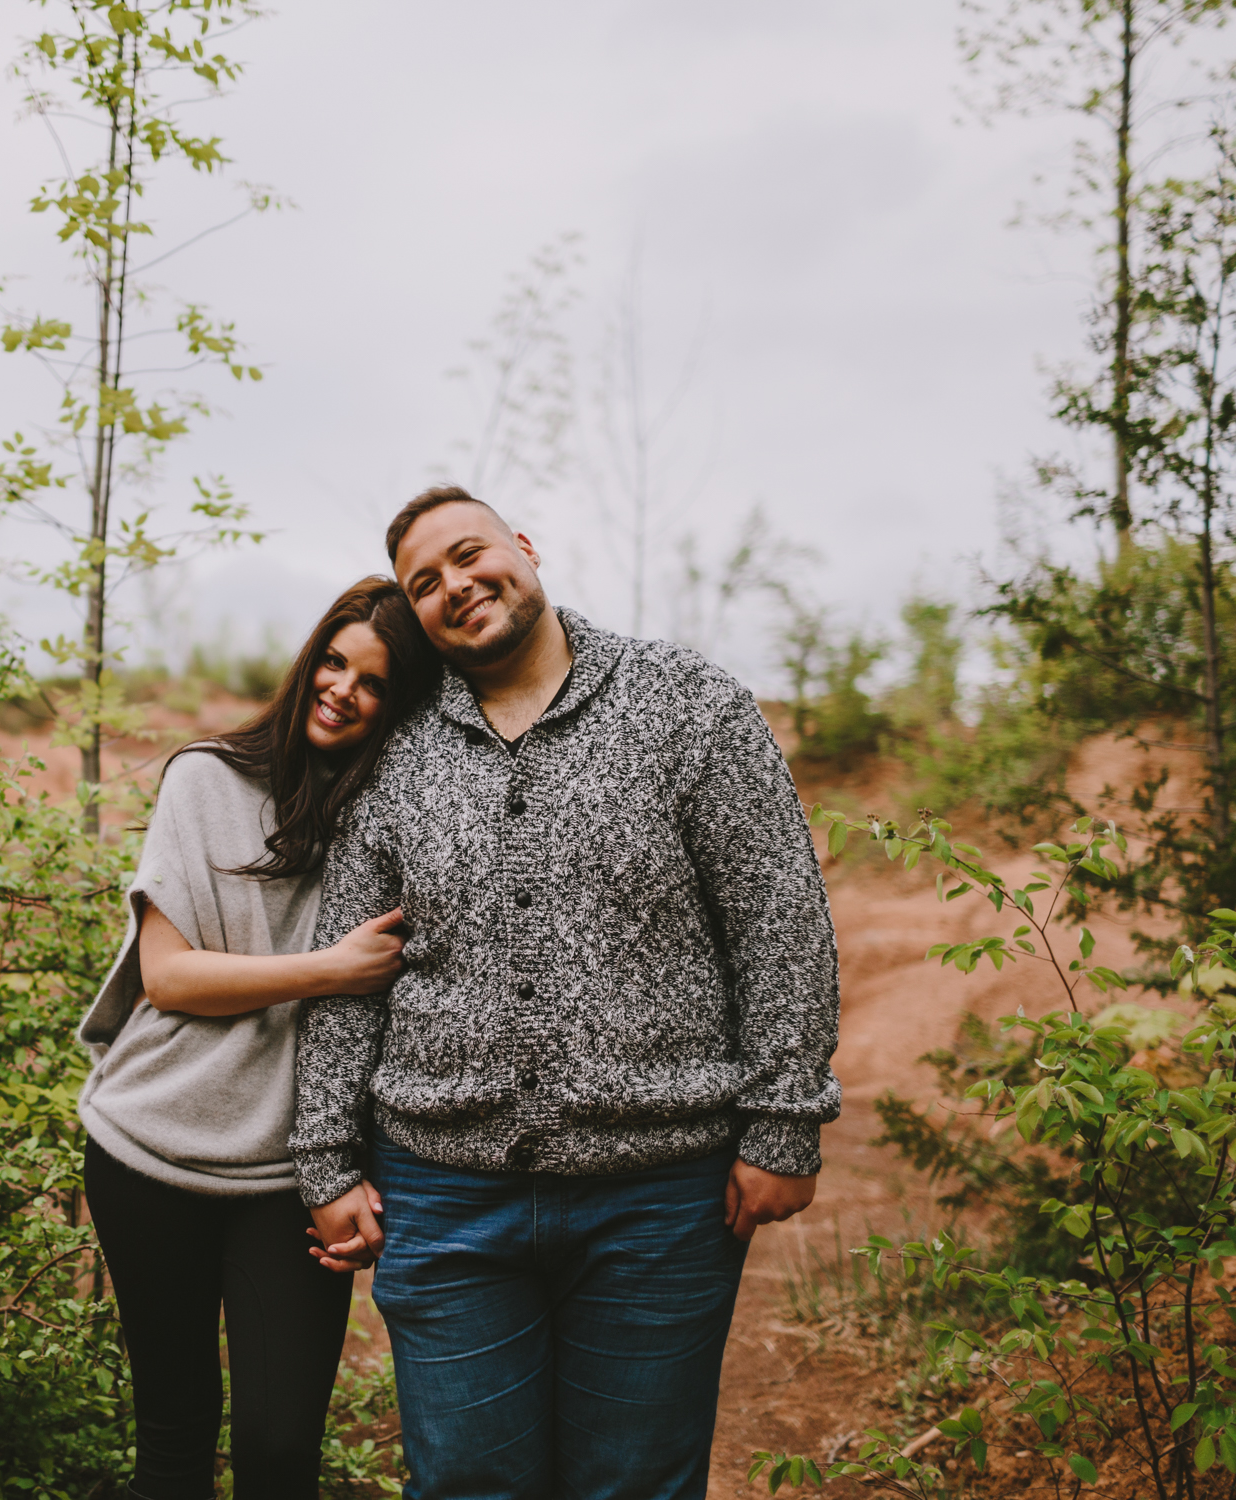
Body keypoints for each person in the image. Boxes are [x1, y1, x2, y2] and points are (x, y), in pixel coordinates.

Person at [291, 486, 842, 1500]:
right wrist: (325, 1161)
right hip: (444, 1196)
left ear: (525, 550)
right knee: (464, 1483)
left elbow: (777, 917)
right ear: (415, 616)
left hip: (659, 1196)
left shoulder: (688, 705)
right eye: (425, 583)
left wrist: (785, 1121)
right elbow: (350, 974)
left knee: (631, 1485)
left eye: (469, 555)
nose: (457, 585)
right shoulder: (397, 754)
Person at [78, 576, 436, 1500]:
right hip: (151, 1146)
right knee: (176, 1432)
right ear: (309, 658)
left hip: (288, 1173)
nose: (342, 689)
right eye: (333, 660)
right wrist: (329, 968)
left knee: (280, 1453)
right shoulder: (207, 778)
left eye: (374, 682)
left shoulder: (391, 819)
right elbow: (170, 976)